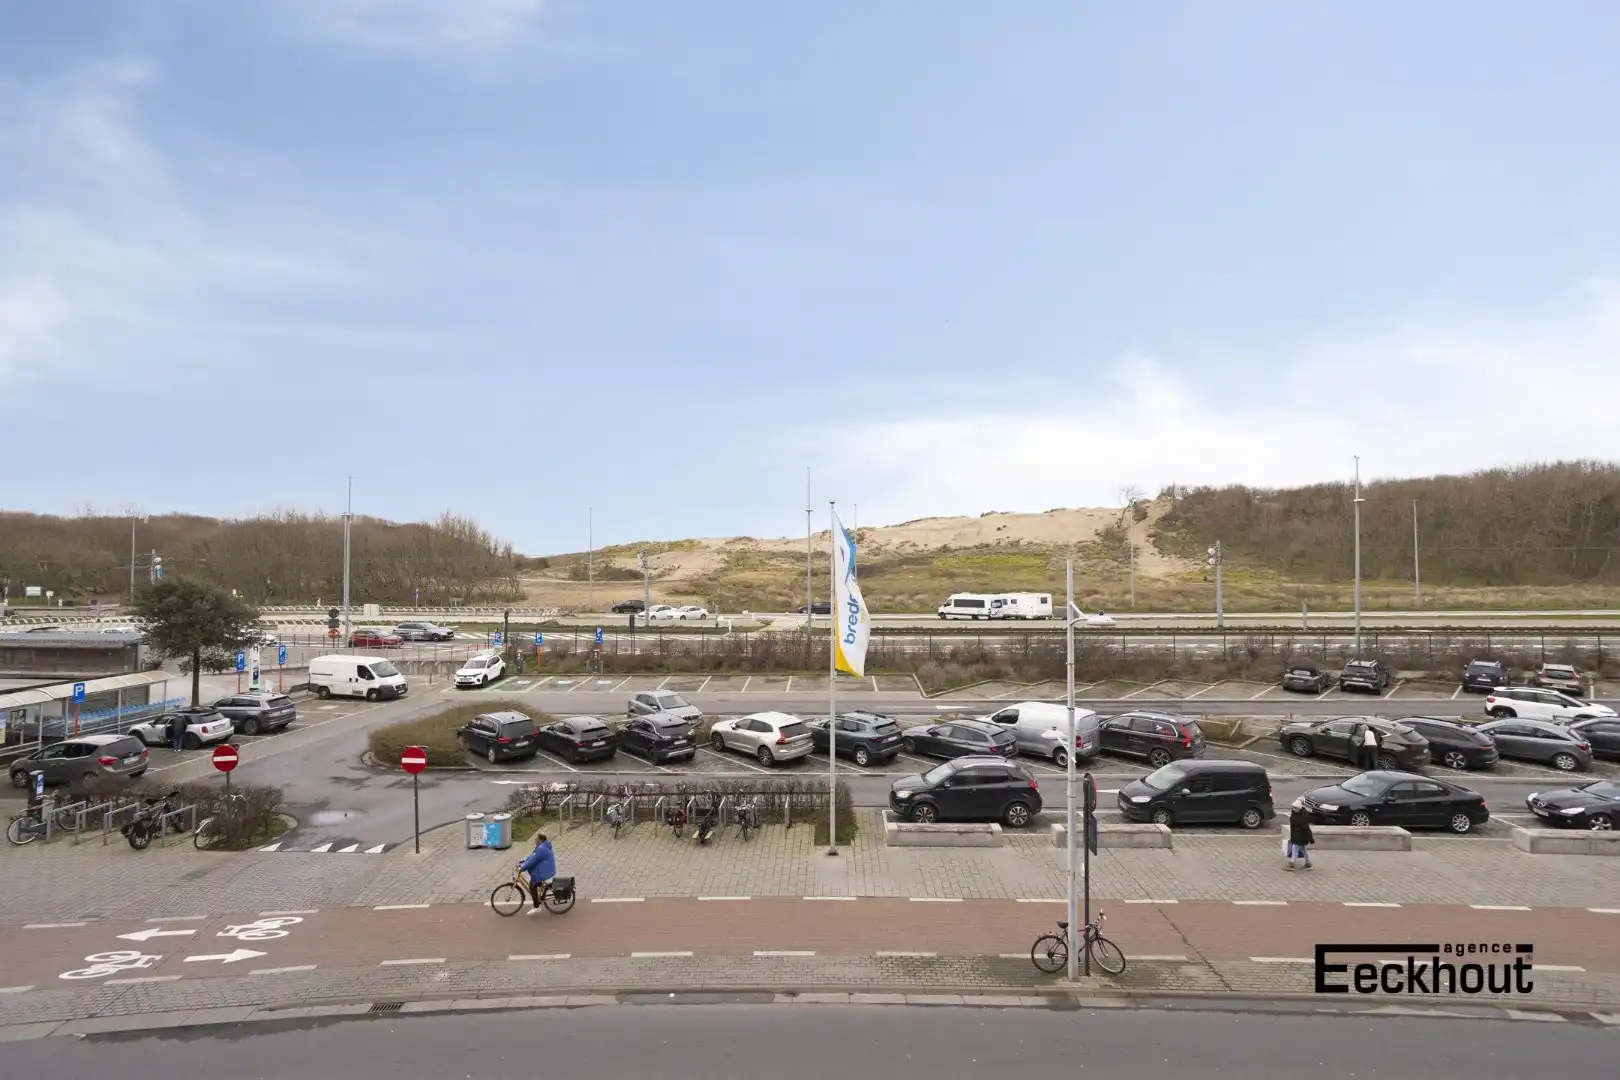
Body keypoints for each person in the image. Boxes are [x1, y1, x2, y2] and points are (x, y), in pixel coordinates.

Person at [519, 833, 556, 916]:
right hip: (546, 868)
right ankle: (540, 892)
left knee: (532, 885)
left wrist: (522, 868)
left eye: (536, 838)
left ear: (540, 840)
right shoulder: (543, 846)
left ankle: (536, 907)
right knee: (535, 883)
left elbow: (532, 861)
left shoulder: (541, 848)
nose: (535, 840)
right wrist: (524, 860)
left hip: (543, 871)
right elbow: (533, 856)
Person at [1285, 798, 1314, 870]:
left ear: (1299, 808)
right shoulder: (1295, 813)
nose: (1293, 809)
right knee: (1303, 849)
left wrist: (1311, 839)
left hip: (1301, 836)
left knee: (1295, 847)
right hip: (1297, 835)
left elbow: (1306, 828)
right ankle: (1308, 863)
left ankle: (1292, 863)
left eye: (1295, 808)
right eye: (1293, 807)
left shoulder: (1303, 816)